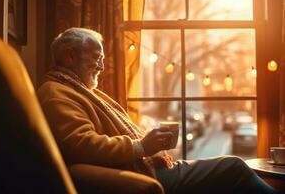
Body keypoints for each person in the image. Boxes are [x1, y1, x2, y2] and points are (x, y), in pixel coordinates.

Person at [37, 27, 277, 194]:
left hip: (140, 168)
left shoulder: (75, 90)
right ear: (70, 56)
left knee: (231, 170)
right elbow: (80, 145)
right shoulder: (56, 92)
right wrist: (142, 146)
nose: (102, 66)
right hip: (138, 174)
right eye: (96, 57)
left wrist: (147, 144)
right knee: (232, 167)